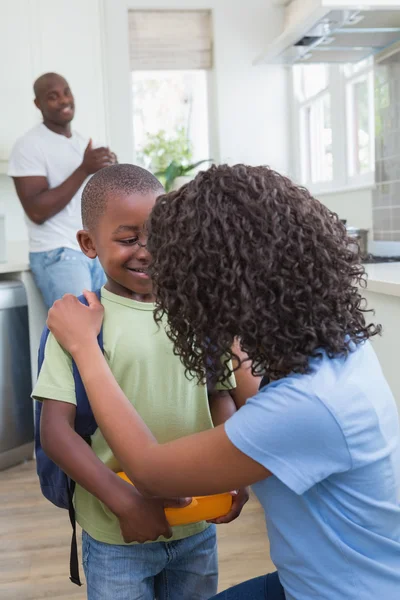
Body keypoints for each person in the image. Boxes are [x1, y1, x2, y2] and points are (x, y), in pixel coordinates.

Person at [46, 164, 400, 600]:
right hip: (321, 580)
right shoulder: (338, 348)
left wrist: (85, 348)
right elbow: (238, 399)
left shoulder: (308, 405)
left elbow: (153, 472)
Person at [33, 164, 249, 600]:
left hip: (196, 528)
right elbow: (56, 433)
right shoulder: (79, 322)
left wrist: (235, 472)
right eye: (129, 239)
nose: (147, 251)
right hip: (117, 535)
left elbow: (219, 396)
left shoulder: (194, 312)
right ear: (89, 244)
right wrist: (125, 502)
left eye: (159, 237)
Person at [8, 72, 117, 307]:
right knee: (77, 335)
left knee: (103, 336)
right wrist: (84, 169)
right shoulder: (29, 145)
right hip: (59, 254)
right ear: (38, 104)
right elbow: (37, 211)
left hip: (93, 250)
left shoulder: (81, 142)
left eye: (66, 92)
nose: (64, 100)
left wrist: (110, 170)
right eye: (53, 96)